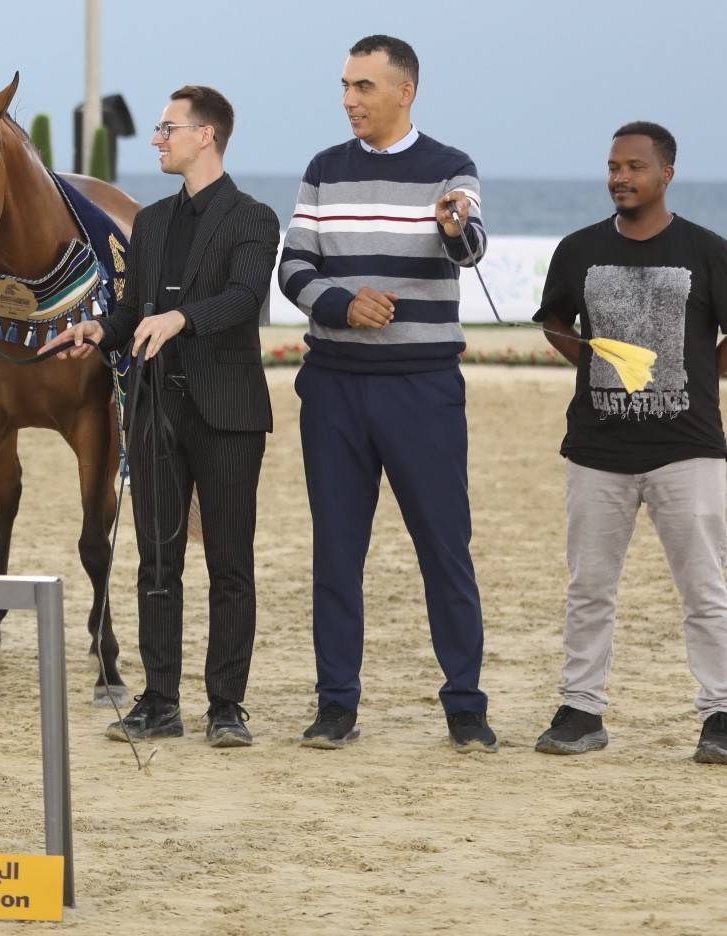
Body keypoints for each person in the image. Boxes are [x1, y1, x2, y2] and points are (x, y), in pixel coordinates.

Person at [277, 35, 497, 752]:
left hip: (422, 390)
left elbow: (470, 248)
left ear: (403, 92)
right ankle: (335, 704)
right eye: (344, 85)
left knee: (444, 549)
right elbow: (293, 268)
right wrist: (339, 304)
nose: (349, 100)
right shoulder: (321, 171)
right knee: (336, 554)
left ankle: (464, 705)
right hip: (333, 389)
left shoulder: (449, 170)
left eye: (363, 87)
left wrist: (453, 225)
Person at [42, 85, 278, 747]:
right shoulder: (148, 224)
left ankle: (226, 708)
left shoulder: (253, 219)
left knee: (230, 565)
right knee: (155, 564)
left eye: (167, 128)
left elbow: (242, 298)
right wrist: (96, 331)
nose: (156, 139)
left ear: (206, 135)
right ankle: (159, 703)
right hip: (152, 411)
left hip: (227, 414)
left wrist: (180, 318)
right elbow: (130, 309)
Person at [530, 122, 727, 765]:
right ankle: (581, 709)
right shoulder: (578, 249)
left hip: (688, 447)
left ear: (666, 173)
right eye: (614, 166)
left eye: (635, 167)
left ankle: (720, 714)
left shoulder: (706, 250)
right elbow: (555, 320)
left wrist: (701, 372)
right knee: (590, 588)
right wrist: (591, 366)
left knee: (706, 590)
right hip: (598, 449)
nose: (621, 177)